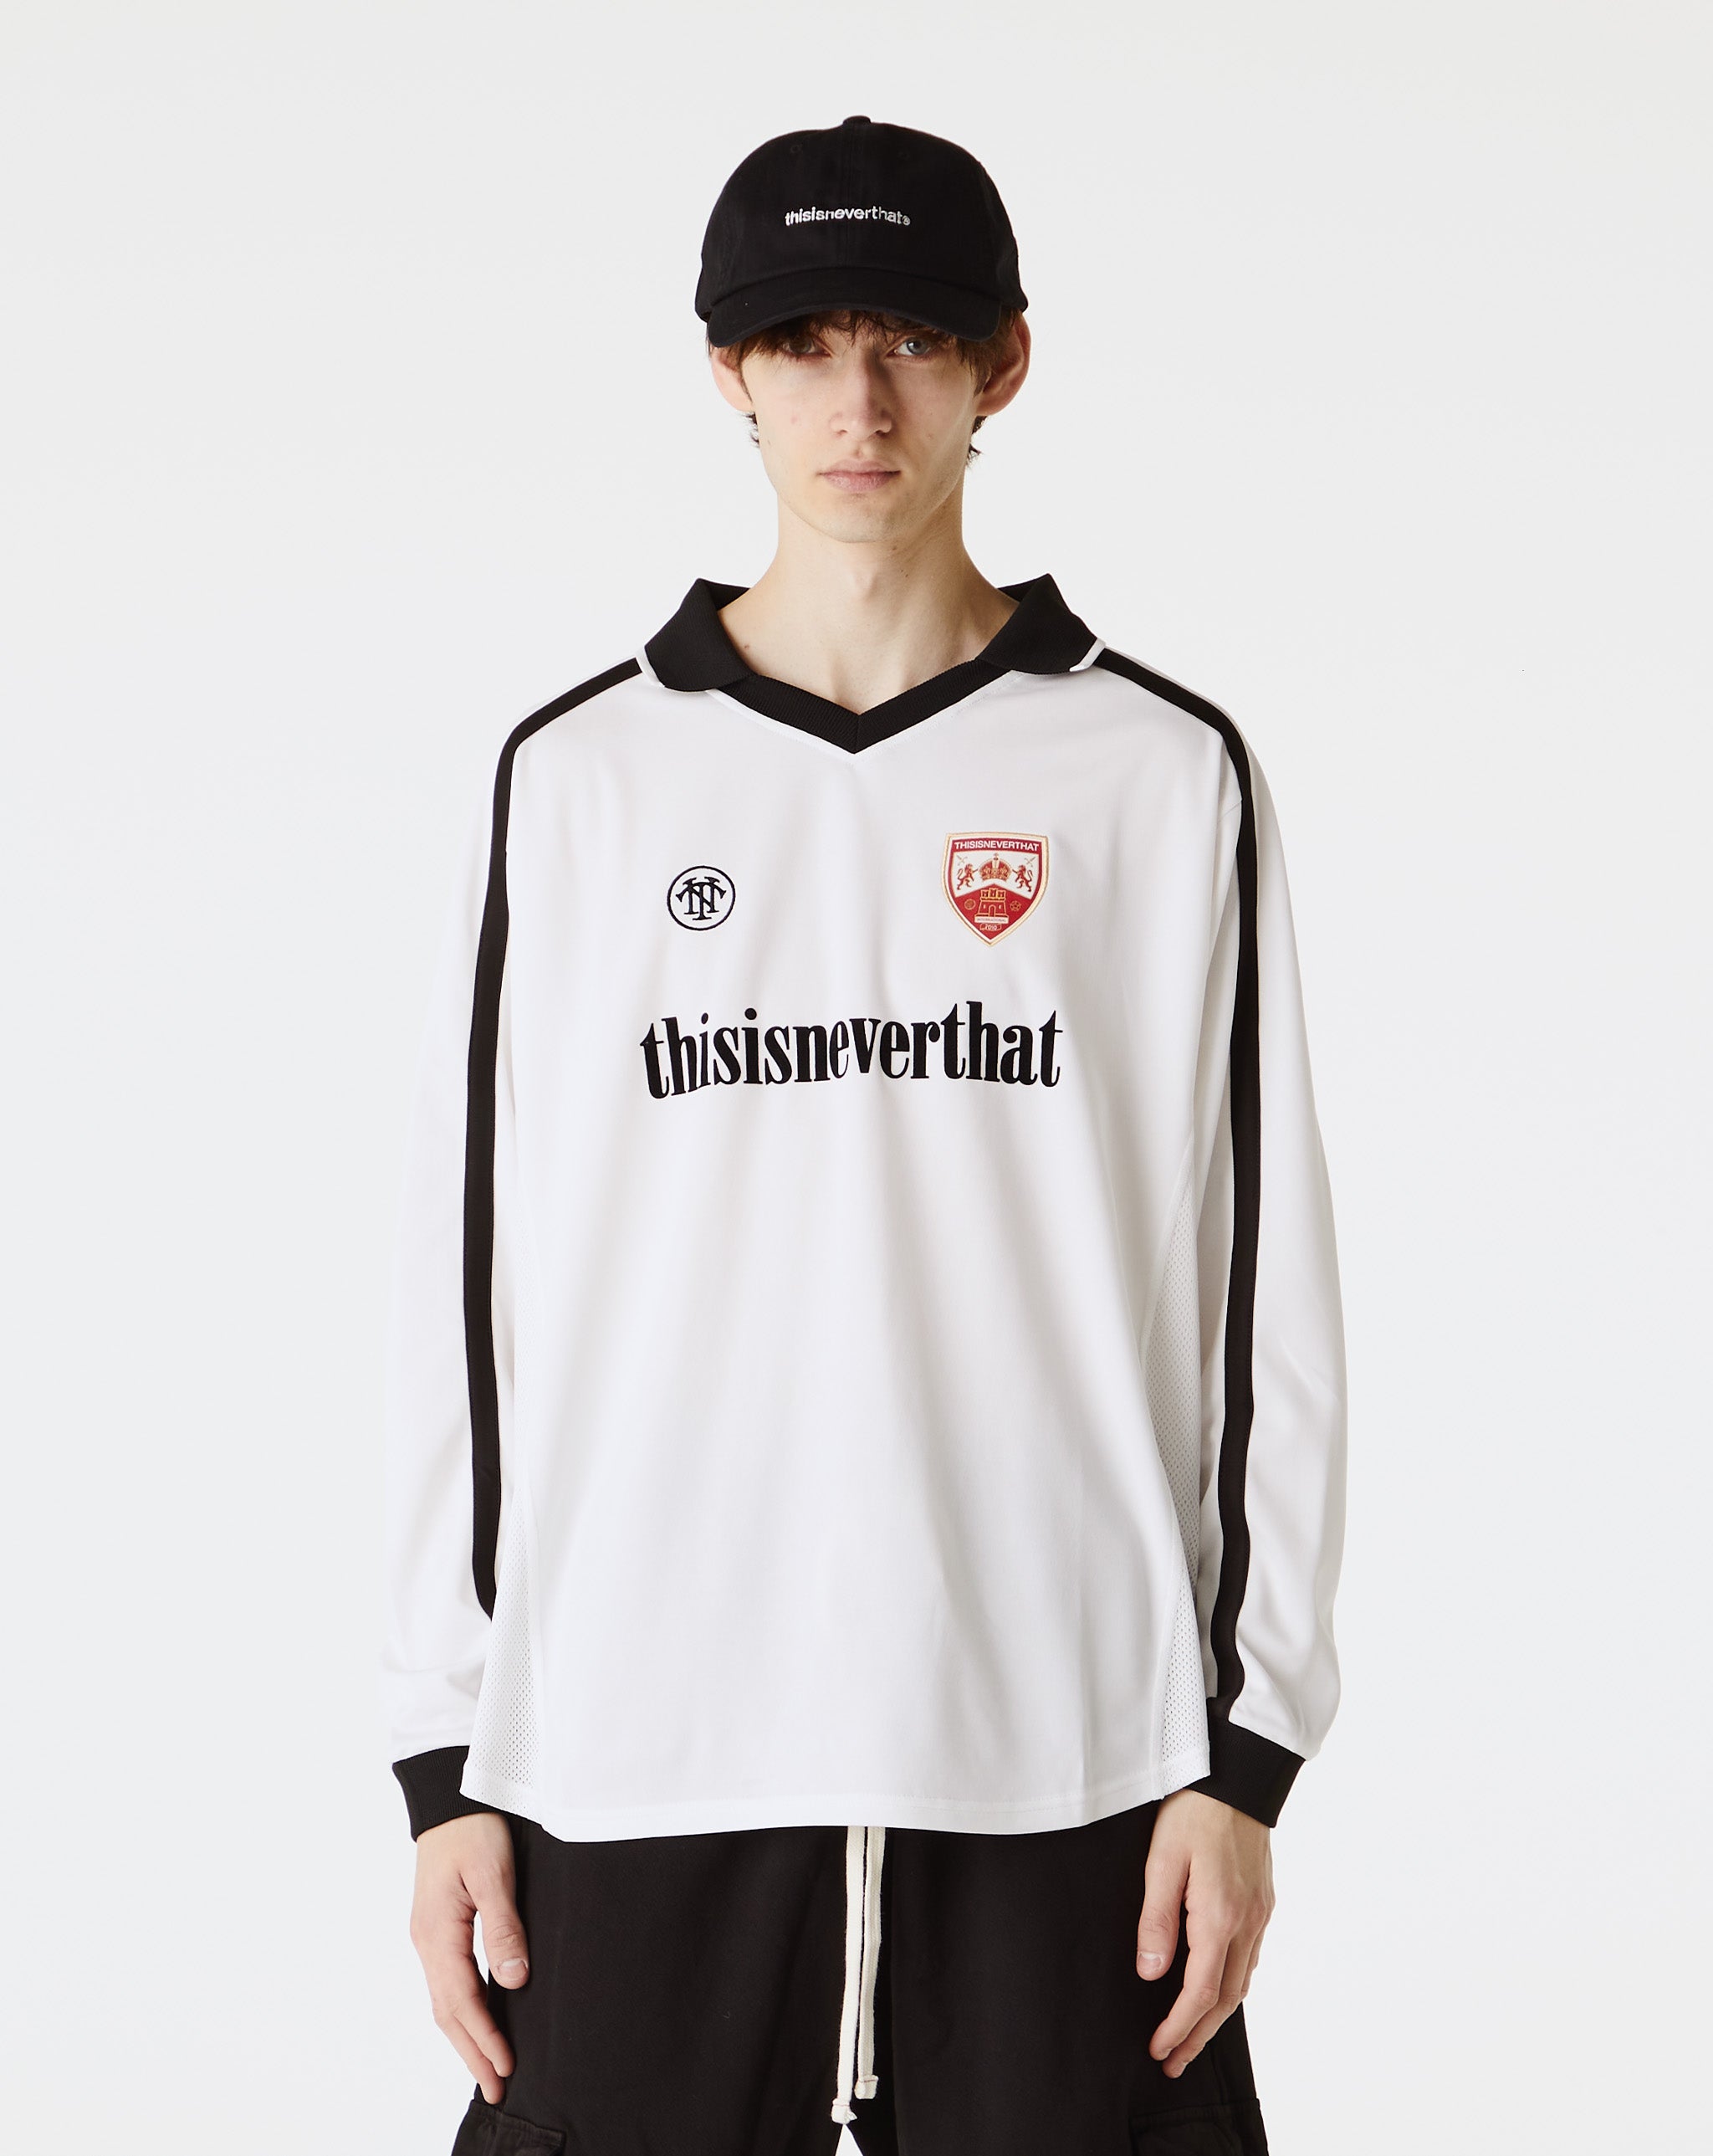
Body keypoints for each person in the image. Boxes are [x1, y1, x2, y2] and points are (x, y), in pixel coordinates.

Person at [383, 115, 1347, 2156]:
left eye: (909, 339)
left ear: (1005, 362)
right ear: (725, 372)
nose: (860, 401)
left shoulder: (1156, 772)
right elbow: (471, 1290)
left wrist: (1244, 1750)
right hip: (639, 1743)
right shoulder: (580, 780)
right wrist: (449, 1754)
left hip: (1065, 1744)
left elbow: (1268, 1287)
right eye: (804, 343)